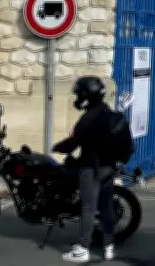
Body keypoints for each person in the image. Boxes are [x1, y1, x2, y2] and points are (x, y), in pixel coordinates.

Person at [53, 76, 118, 263]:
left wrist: (55, 147)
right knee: (106, 207)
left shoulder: (88, 119)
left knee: (88, 208)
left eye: (79, 95)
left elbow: (73, 143)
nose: (77, 99)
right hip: (108, 167)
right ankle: (108, 247)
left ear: (87, 95)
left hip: (91, 167)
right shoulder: (107, 112)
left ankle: (83, 249)